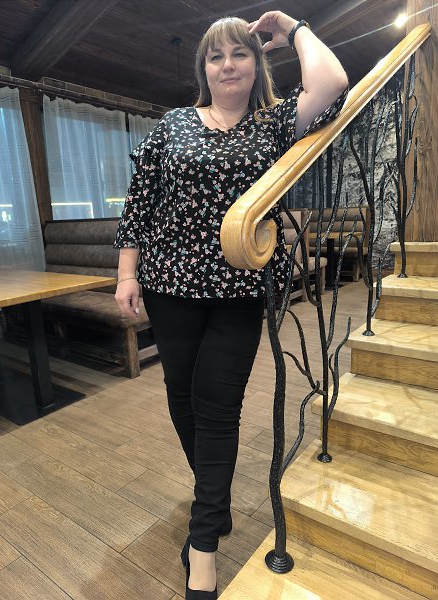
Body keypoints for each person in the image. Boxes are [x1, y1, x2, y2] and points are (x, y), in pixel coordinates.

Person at [114, 10, 348, 599]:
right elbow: (140, 204)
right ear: (204, 69)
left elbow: (332, 83)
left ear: (256, 64)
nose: (227, 65)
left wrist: (293, 28)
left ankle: (203, 545)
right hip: (169, 286)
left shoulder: (274, 124)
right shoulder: (172, 125)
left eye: (239, 53)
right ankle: (212, 505)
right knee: (182, 399)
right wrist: (127, 274)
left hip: (240, 292)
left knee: (218, 409)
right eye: (216, 56)